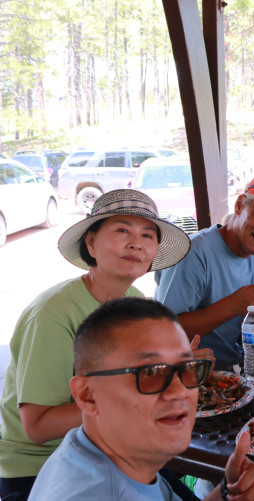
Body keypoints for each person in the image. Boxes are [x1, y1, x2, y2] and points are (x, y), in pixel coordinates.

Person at [0, 189, 191, 500]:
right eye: (122, 230)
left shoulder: (135, 301)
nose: (136, 243)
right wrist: (130, 397)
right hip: (42, 467)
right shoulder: (53, 313)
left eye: (147, 235)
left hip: (115, 444)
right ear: (91, 243)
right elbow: (37, 427)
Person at [29, 298, 254, 500]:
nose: (179, 391)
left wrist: (228, 489)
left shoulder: (104, 454)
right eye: (151, 373)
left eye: (188, 368)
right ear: (87, 395)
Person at [155, 173, 254, 370]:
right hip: (192, 375)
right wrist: (232, 305)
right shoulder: (193, 252)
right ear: (239, 205)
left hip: (232, 371)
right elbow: (163, 331)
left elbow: (235, 329)